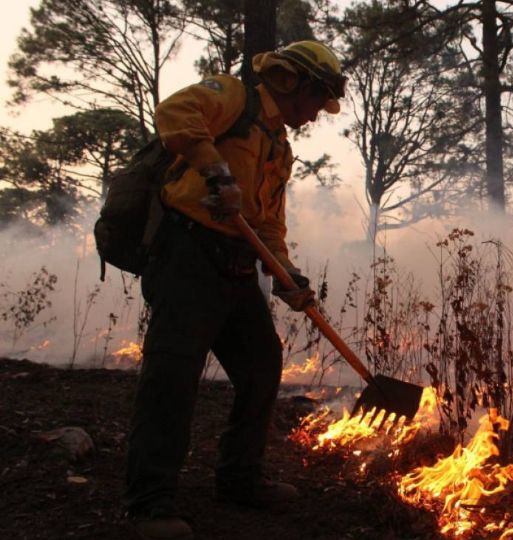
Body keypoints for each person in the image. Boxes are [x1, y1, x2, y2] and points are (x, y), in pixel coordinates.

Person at [123, 40, 347, 540]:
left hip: (237, 267)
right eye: (317, 102)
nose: (315, 116)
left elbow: (268, 227)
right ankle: (150, 502)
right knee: (172, 377)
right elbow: (176, 112)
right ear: (296, 84)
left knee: (262, 366)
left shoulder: (279, 148)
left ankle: (240, 479)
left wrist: (288, 277)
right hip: (188, 257)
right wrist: (216, 171)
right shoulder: (232, 96)